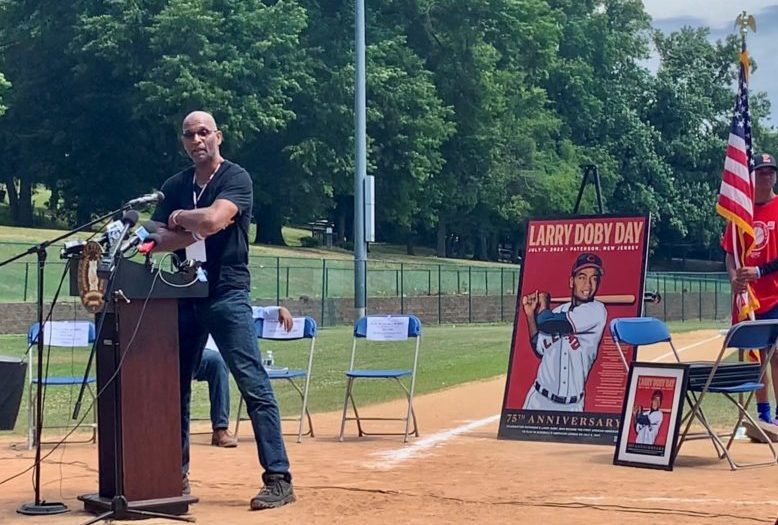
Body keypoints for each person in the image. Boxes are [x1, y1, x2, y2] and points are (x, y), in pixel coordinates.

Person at [149, 110, 295, 510]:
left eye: (203, 133)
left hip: (227, 294)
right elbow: (156, 238)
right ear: (182, 142)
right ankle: (173, 476)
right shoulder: (174, 185)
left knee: (253, 383)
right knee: (174, 387)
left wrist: (180, 221)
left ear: (218, 137)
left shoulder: (236, 178)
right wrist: (177, 230)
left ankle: (278, 478)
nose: (196, 140)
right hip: (184, 292)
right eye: (188, 135)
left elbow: (214, 220)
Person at [724, 152, 778, 426]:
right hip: (749, 297)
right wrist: (734, 278)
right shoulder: (740, 212)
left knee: (777, 355)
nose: (767, 175)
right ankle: (763, 414)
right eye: (762, 171)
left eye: (771, 171)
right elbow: (730, 252)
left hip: (775, 293)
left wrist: (760, 271)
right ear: (751, 176)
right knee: (755, 356)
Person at [196, 306, 294, 449]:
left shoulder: (225, 301)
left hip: (209, 359)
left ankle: (220, 429)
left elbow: (249, 310)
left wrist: (279, 310)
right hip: (179, 353)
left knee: (218, 361)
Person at [522, 252, 608, 412]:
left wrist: (544, 305)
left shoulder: (596, 311)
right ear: (571, 281)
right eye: (582, 277)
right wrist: (530, 315)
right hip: (538, 400)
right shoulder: (560, 312)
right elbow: (539, 348)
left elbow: (547, 322)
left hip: (572, 406)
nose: (588, 285)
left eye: (594, 278)